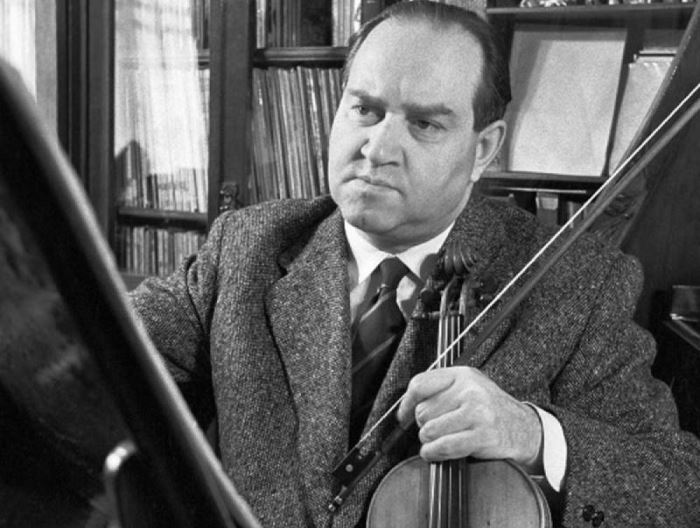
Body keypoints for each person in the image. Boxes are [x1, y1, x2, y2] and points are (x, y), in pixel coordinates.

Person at [130, 2, 700, 527]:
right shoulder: (245, 248)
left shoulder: (577, 282)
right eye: (365, 109)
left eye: (424, 124)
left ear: (483, 149)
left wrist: (531, 432)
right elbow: (106, 358)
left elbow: (676, 488)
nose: (377, 148)